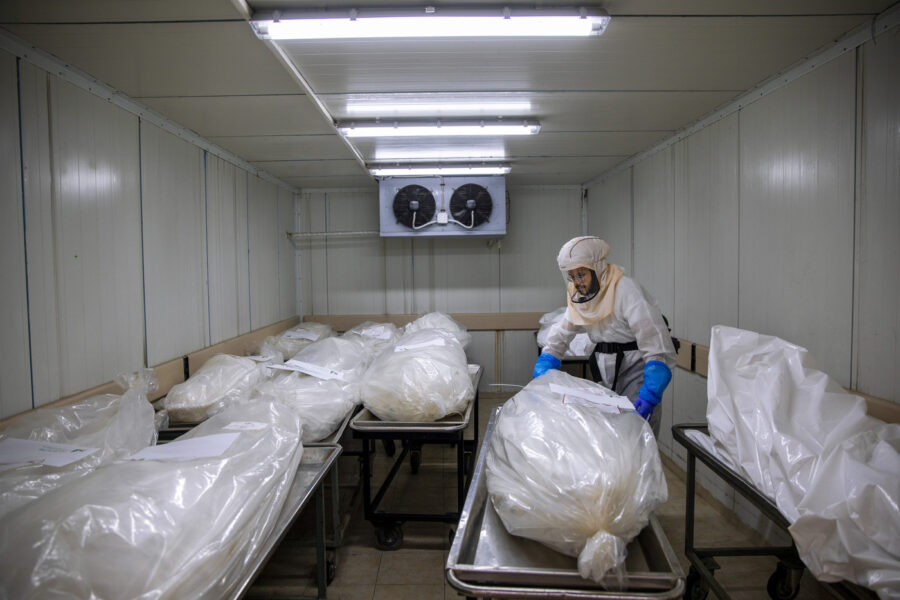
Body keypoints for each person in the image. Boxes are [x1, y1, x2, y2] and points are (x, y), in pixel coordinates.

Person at [534, 236, 676, 436]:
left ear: (597, 267)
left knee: (636, 435)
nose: (576, 282)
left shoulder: (625, 289)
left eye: (581, 274)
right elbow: (563, 330)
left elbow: (654, 340)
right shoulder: (581, 295)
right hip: (605, 371)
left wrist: (651, 389)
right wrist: (547, 360)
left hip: (635, 368)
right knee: (612, 434)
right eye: (572, 276)